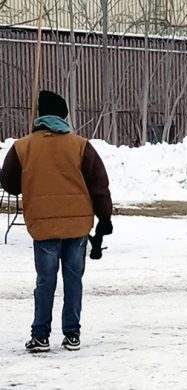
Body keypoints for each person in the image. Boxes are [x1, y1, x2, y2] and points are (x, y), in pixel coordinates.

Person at [0, 90, 113, 353]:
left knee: (45, 281)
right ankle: (72, 334)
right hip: (77, 226)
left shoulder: (23, 147)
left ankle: (40, 336)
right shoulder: (81, 145)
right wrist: (105, 218)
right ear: (63, 115)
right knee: (73, 280)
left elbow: (9, 183)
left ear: (40, 116)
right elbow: (99, 185)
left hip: (43, 225)